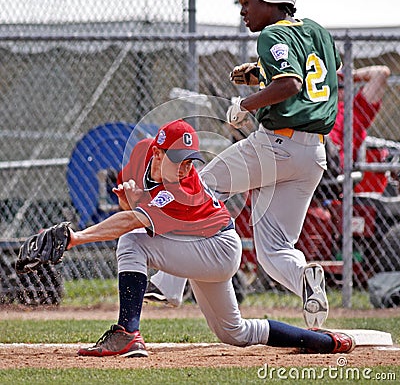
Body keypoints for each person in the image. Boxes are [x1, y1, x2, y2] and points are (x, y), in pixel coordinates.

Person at [145, 0, 342, 329]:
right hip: (313, 153)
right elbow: (319, 73)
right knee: (274, 249)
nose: (243, 9)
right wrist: (260, 72)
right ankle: (305, 280)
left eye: (247, 0)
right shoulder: (318, 32)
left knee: (198, 186)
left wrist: (244, 103)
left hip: (276, 145)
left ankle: (169, 284)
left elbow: (291, 84)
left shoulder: (270, 37)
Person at [68, 119, 355, 357]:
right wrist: (127, 202)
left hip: (217, 248)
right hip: (198, 246)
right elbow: (136, 210)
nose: (185, 168)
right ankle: (321, 341)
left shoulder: (183, 188)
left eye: (190, 161)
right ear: (156, 153)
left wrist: (76, 238)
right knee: (235, 333)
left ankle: (127, 332)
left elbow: (134, 220)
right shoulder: (140, 154)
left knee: (131, 241)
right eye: (178, 160)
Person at [329, 66, 391, 166]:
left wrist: (349, 76)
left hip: (333, 162)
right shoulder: (315, 106)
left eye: (342, 85)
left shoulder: (355, 110)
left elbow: (381, 73)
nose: (338, 88)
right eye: (333, 83)